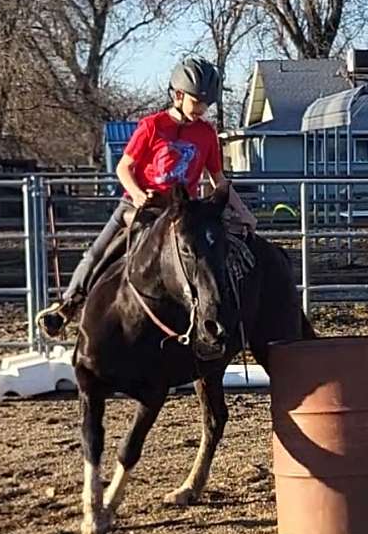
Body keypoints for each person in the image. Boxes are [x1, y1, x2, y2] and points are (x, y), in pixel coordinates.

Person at [36, 57, 256, 338]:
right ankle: (66, 307)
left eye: (206, 104)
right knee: (97, 253)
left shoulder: (206, 133)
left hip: (180, 212)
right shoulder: (152, 126)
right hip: (140, 206)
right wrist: (138, 195)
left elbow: (218, 179)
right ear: (178, 95)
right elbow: (123, 167)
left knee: (211, 254)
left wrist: (244, 213)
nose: (201, 109)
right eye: (196, 101)